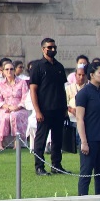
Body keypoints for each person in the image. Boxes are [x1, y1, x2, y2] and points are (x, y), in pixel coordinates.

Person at [29, 37, 70, 176]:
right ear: (43, 49)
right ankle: (39, 167)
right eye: (49, 47)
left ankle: (56, 165)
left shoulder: (59, 66)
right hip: (45, 109)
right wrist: (37, 111)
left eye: (54, 47)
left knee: (57, 139)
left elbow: (62, 88)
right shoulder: (37, 66)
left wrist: (65, 108)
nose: (52, 50)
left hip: (58, 108)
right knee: (41, 139)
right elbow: (33, 90)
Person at [76, 62, 100, 196]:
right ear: (92, 75)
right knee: (86, 175)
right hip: (90, 140)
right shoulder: (83, 94)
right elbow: (80, 119)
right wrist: (84, 142)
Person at [0, 61, 29, 150]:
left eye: (11, 69)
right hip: (5, 108)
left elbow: (25, 97)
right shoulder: (0, 84)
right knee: (4, 117)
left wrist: (17, 107)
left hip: (19, 108)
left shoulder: (22, 82)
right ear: (3, 71)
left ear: (14, 70)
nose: (9, 71)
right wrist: (8, 107)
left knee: (14, 116)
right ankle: (0, 143)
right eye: (7, 69)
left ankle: (16, 142)